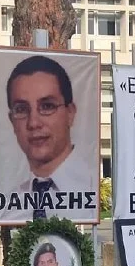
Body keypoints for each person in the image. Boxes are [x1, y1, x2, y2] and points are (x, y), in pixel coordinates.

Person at [5, 55, 95, 201]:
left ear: (70, 113)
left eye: (47, 106)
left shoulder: (95, 192)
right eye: (21, 109)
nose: (33, 123)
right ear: (12, 121)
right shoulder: (8, 205)